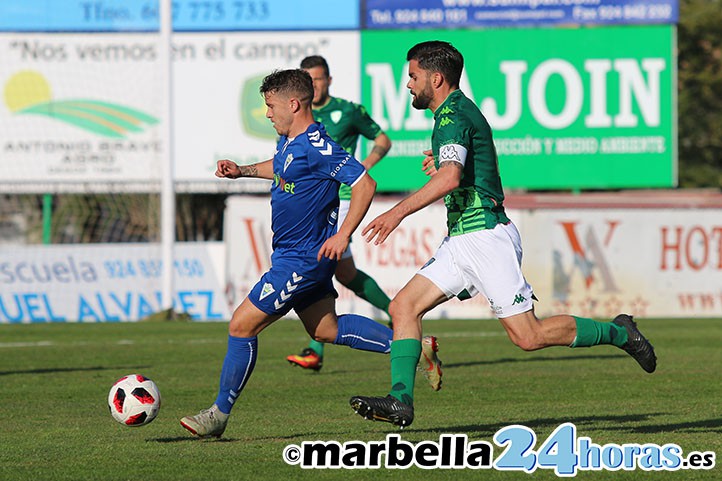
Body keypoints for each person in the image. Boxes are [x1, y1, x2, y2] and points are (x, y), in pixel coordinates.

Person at [349, 41, 657, 428]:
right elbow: (458, 167)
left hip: (485, 238)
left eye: (413, 76)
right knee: (402, 308)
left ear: (436, 77)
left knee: (528, 336)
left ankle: (619, 332)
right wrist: (443, 163)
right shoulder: (450, 115)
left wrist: (397, 211)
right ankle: (400, 400)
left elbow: (450, 177)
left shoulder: (452, 116)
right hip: (461, 239)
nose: (408, 84)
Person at [180, 69, 394, 438]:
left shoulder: (317, 145)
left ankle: (217, 414)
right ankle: (412, 346)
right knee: (326, 329)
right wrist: (242, 171)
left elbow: (364, 183)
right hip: (293, 257)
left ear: (293, 104)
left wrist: (344, 235)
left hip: (303, 260)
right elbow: (281, 169)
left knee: (241, 325)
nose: (267, 113)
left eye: (270, 105)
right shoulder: (290, 142)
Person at [286, 55, 441, 387]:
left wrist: (362, 168)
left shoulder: (348, 111)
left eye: (317, 79)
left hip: (340, 200)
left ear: (328, 80)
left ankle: (317, 348)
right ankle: (398, 320)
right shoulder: (297, 114)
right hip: (313, 201)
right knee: (346, 273)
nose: (313, 85)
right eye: (307, 80)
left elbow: (383, 140)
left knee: (320, 263)